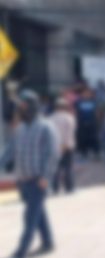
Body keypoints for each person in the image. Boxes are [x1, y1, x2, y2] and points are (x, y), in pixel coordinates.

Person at [0, 90, 60, 258]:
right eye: (20, 106)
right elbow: (10, 152)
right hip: (22, 180)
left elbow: (52, 154)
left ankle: (21, 251)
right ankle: (48, 242)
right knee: (38, 212)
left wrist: (45, 177)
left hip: (37, 180)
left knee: (29, 218)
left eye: (25, 106)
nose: (21, 109)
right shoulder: (20, 129)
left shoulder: (46, 127)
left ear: (33, 106)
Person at [48, 98, 76, 193]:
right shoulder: (69, 118)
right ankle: (69, 187)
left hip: (54, 146)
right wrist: (65, 145)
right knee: (68, 167)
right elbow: (69, 133)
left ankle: (55, 188)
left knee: (56, 168)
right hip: (68, 146)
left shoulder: (50, 118)